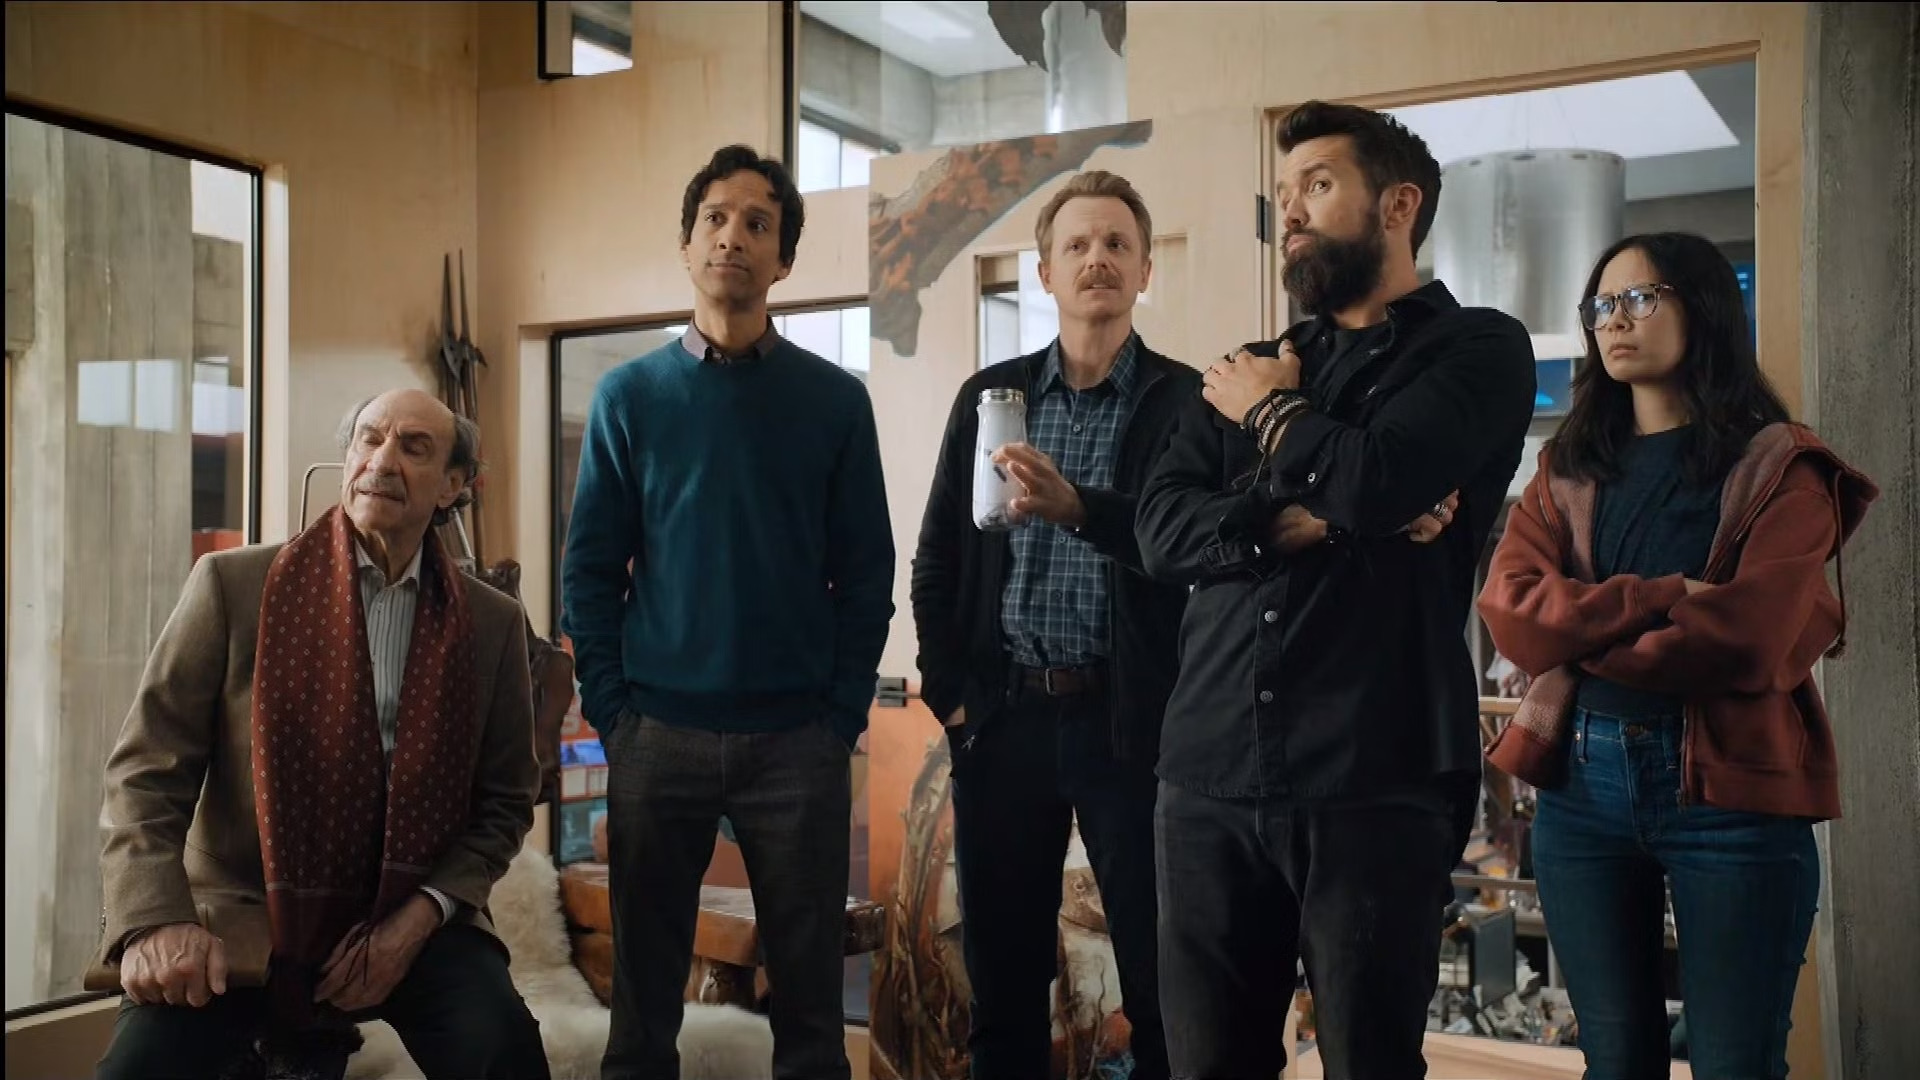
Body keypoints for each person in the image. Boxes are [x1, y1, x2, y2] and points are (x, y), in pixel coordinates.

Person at [1136, 100, 1537, 1078]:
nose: (1292, 211)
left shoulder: (1478, 350)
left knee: (1369, 1063)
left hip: (1374, 773)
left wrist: (1271, 419)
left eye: (1318, 185)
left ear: (1398, 206)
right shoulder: (1246, 368)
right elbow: (1160, 532)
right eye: (1284, 192)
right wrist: (1300, 516)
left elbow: (1378, 480)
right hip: (1207, 770)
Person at [1478, 232, 1878, 1080]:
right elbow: (1511, 617)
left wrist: (1579, 636)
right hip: (1580, 789)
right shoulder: (1567, 469)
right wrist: (1657, 597)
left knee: (1736, 1063)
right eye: (1601, 305)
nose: (1614, 321)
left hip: (1734, 797)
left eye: (1640, 298)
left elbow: (1745, 640)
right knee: (1614, 1060)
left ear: (1704, 308)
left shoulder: (1784, 467)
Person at [93, 389, 549, 1080]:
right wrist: (155, 918)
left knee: (501, 1049)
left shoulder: (491, 624)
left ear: (453, 486)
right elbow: (144, 771)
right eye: (369, 439)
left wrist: (420, 918)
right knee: (138, 1070)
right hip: (246, 905)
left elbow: (505, 802)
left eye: (414, 448)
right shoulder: (233, 586)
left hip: (412, 911)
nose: (382, 461)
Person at [562, 144, 894, 1080]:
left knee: (812, 1025)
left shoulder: (836, 403)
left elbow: (867, 573)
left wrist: (839, 718)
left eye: (758, 224)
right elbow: (590, 571)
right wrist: (615, 716)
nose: (732, 237)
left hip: (797, 744)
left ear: (782, 259)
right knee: (641, 1023)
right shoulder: (629, 397)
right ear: (687, 244)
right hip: (657, 736)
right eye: (715, 218)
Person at [911, 170, 1196, 1080]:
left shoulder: (1186, 403)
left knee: (1162, 985)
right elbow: (937, 560)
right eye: (1077, 245)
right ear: (1045, 273)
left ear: (1145, 269)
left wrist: (1084, 510)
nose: (1097, 259)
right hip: (1006, 719)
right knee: (1003, 992)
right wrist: (955, 698)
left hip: (1134, 725)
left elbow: (1194, 553)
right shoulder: (992, 399)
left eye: (1117, 243)